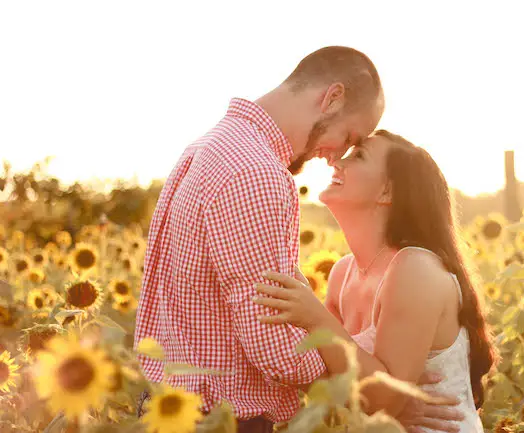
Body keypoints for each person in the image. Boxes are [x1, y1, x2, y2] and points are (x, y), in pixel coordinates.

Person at [133, 47, 462, 432]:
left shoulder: (211, 146)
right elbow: (273, 347)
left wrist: (376, 391)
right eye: (350, 137)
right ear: (332, 97)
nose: (336, 155)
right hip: (222, 420)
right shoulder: (255, 172)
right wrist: (377, 393)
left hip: (175, 409)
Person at [254, 130, 497, 432]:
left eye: (358, 156)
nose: (337, 163)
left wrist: (315, 318)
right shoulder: (343, 273)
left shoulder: (416, 268)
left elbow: (382, 400)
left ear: (387, 192)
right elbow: (331, 381)